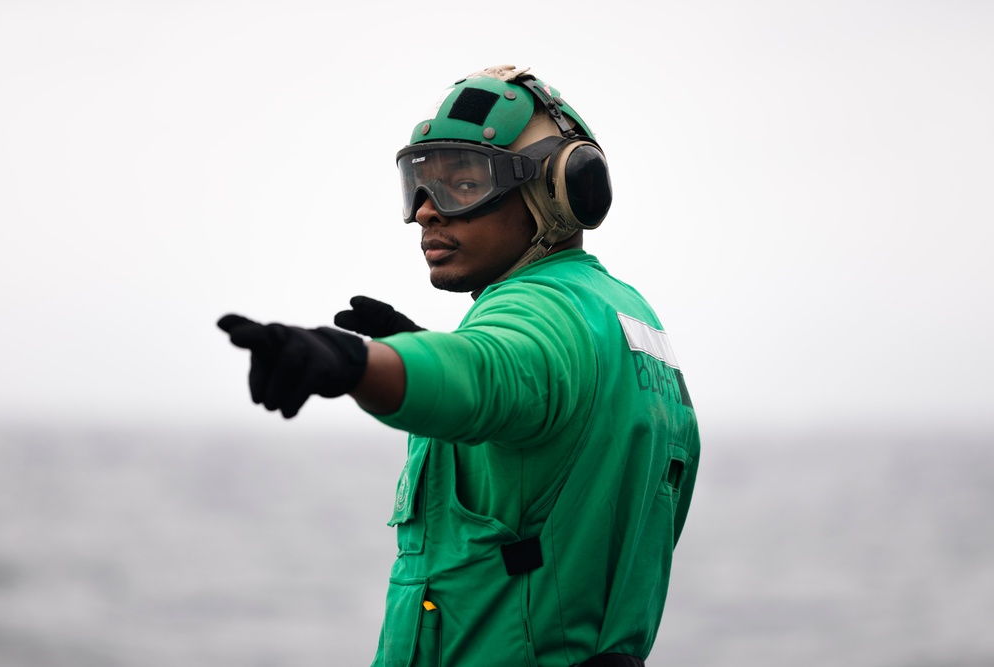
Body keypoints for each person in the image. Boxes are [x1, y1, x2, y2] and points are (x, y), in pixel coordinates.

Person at [217, 64, 700, 667]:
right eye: (420, 184)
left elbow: (486, 375)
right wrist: (415, 351)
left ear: (559, 189)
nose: (425, 211)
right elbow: (528, 418)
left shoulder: (538, 310)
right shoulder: (624, 318)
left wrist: (353, 364)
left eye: (462, 183)